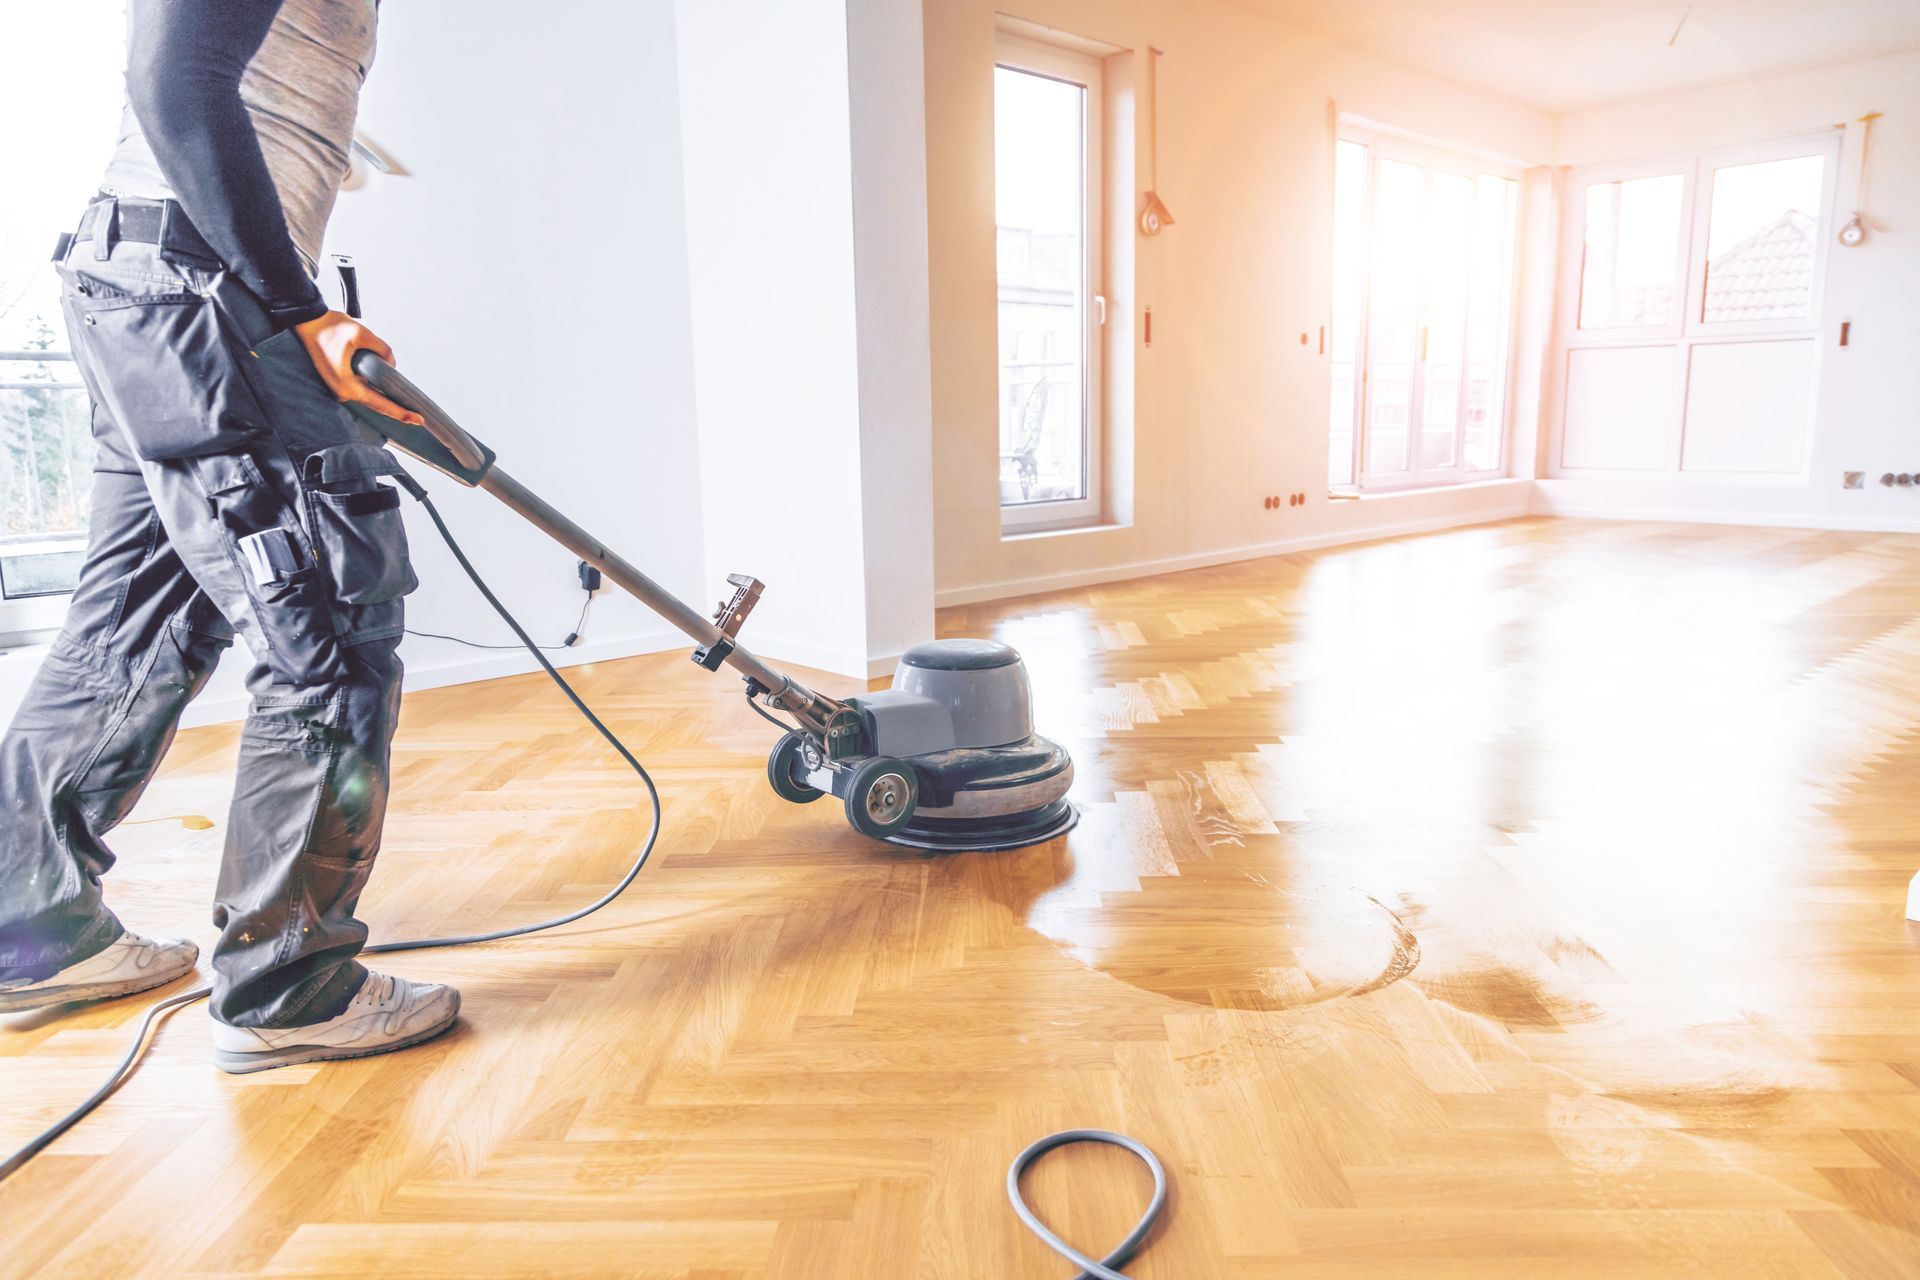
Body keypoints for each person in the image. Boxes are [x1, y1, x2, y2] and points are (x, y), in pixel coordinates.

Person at [0, 0, 459, 1073]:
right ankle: (289, 987)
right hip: (206, 297)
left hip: (142, 280)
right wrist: (300, 306)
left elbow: (228, 83)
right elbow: (174, 75)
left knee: (134, 621)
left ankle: (31, 930)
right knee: (331, 623)